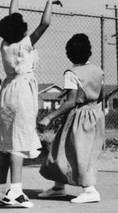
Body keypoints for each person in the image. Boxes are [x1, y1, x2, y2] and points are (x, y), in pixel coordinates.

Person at [0, 0, 62, 208]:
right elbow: (44, 24)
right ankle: (15, 192)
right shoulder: (24, 45)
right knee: (18, 143)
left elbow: (12, 17)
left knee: (5, 143)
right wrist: (48, 3)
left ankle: (3, 190)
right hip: (22, 94)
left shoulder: (6, 44)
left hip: (6, 92)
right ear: (22, 32)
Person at [38, 34, 105, 204]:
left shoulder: (71, 73)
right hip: (95, 115)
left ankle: (90, 190)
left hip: (78, 117)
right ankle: (58, 187)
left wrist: (49, 117)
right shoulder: (98, 70)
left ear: (69, 54)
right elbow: (101, 95)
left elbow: (70, 102)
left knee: (76, 153)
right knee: (65, 150)